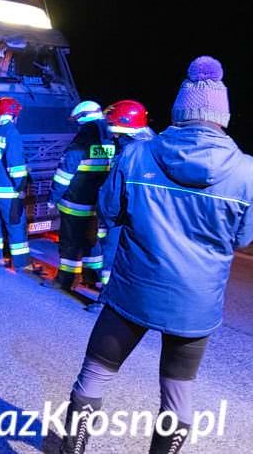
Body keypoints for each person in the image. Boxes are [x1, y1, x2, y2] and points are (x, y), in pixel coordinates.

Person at [52, 56, 253, 454]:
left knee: (94, 376)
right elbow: (242, 239)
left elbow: (109, 211)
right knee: (177, 396)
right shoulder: (247, 172)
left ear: (180, 111)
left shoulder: (137, 155)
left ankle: (70, 449)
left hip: (132, 292)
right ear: (223, 116)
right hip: (195, 305)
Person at [44, 101, 114, 291]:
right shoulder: (112, 138)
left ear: (83, 117)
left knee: (70, 242)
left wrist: (53, 198)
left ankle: (65, 281)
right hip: (99, 204)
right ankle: (94, 278)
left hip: (76, 203)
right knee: (92, 241)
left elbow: (64, 175)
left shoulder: (81, 141)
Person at [97, 100, 156, 288]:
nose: (111, 132)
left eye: (113, 126)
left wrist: (107, 216)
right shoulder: (155, 146)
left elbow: (113, 193)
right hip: (149, 219)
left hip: (122, 217)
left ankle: (105, 299)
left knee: (112, 256)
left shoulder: (128, 152)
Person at [0, 97, 30, 270]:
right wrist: (21, 186)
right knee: (16, 226)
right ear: (14, 113)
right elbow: (15, 166)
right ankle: (21, 264)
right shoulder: (11, 133)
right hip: (8, 192)